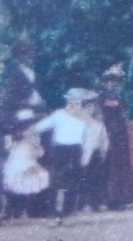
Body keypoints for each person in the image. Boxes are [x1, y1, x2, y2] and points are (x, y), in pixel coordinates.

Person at [0, 37, 45, 227]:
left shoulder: (9, 80)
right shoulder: (11, 79)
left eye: (1, 63)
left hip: (4, 130)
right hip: (1, 130)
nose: (0, 67)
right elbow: (6, 108)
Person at [29, 88, 108, 217]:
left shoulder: (85, 119)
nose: (74, 104)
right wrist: (30, 130)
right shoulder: (59, 114)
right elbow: (41, 126)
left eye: (77, 102)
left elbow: (89, 137)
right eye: (72, 101)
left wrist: (86, 156)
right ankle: (53, 210)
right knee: (56, 180)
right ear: (68, 101)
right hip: (60, 150)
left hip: (76, 149)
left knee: (73, 180)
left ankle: (67, 210)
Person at [95, 64, 133, 209]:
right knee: (110, 164)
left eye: (115, 81)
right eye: (110, 80)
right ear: (105, 82)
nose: (112, 83)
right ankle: (109, 198)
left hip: (120, 133)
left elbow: (124, 114)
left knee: (121, 163)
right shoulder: (101, 98)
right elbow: (99, 115)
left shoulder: (120, 97)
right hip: (108, 131)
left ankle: (123, 197)